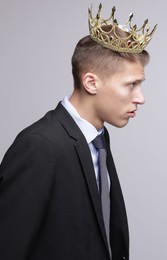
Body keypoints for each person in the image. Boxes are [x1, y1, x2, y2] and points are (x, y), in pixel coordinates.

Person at [0, 4, 156, 260]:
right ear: (91, 82)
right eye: (131, 85)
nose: (140, 98)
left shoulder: (99, 138)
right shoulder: (40, 146)